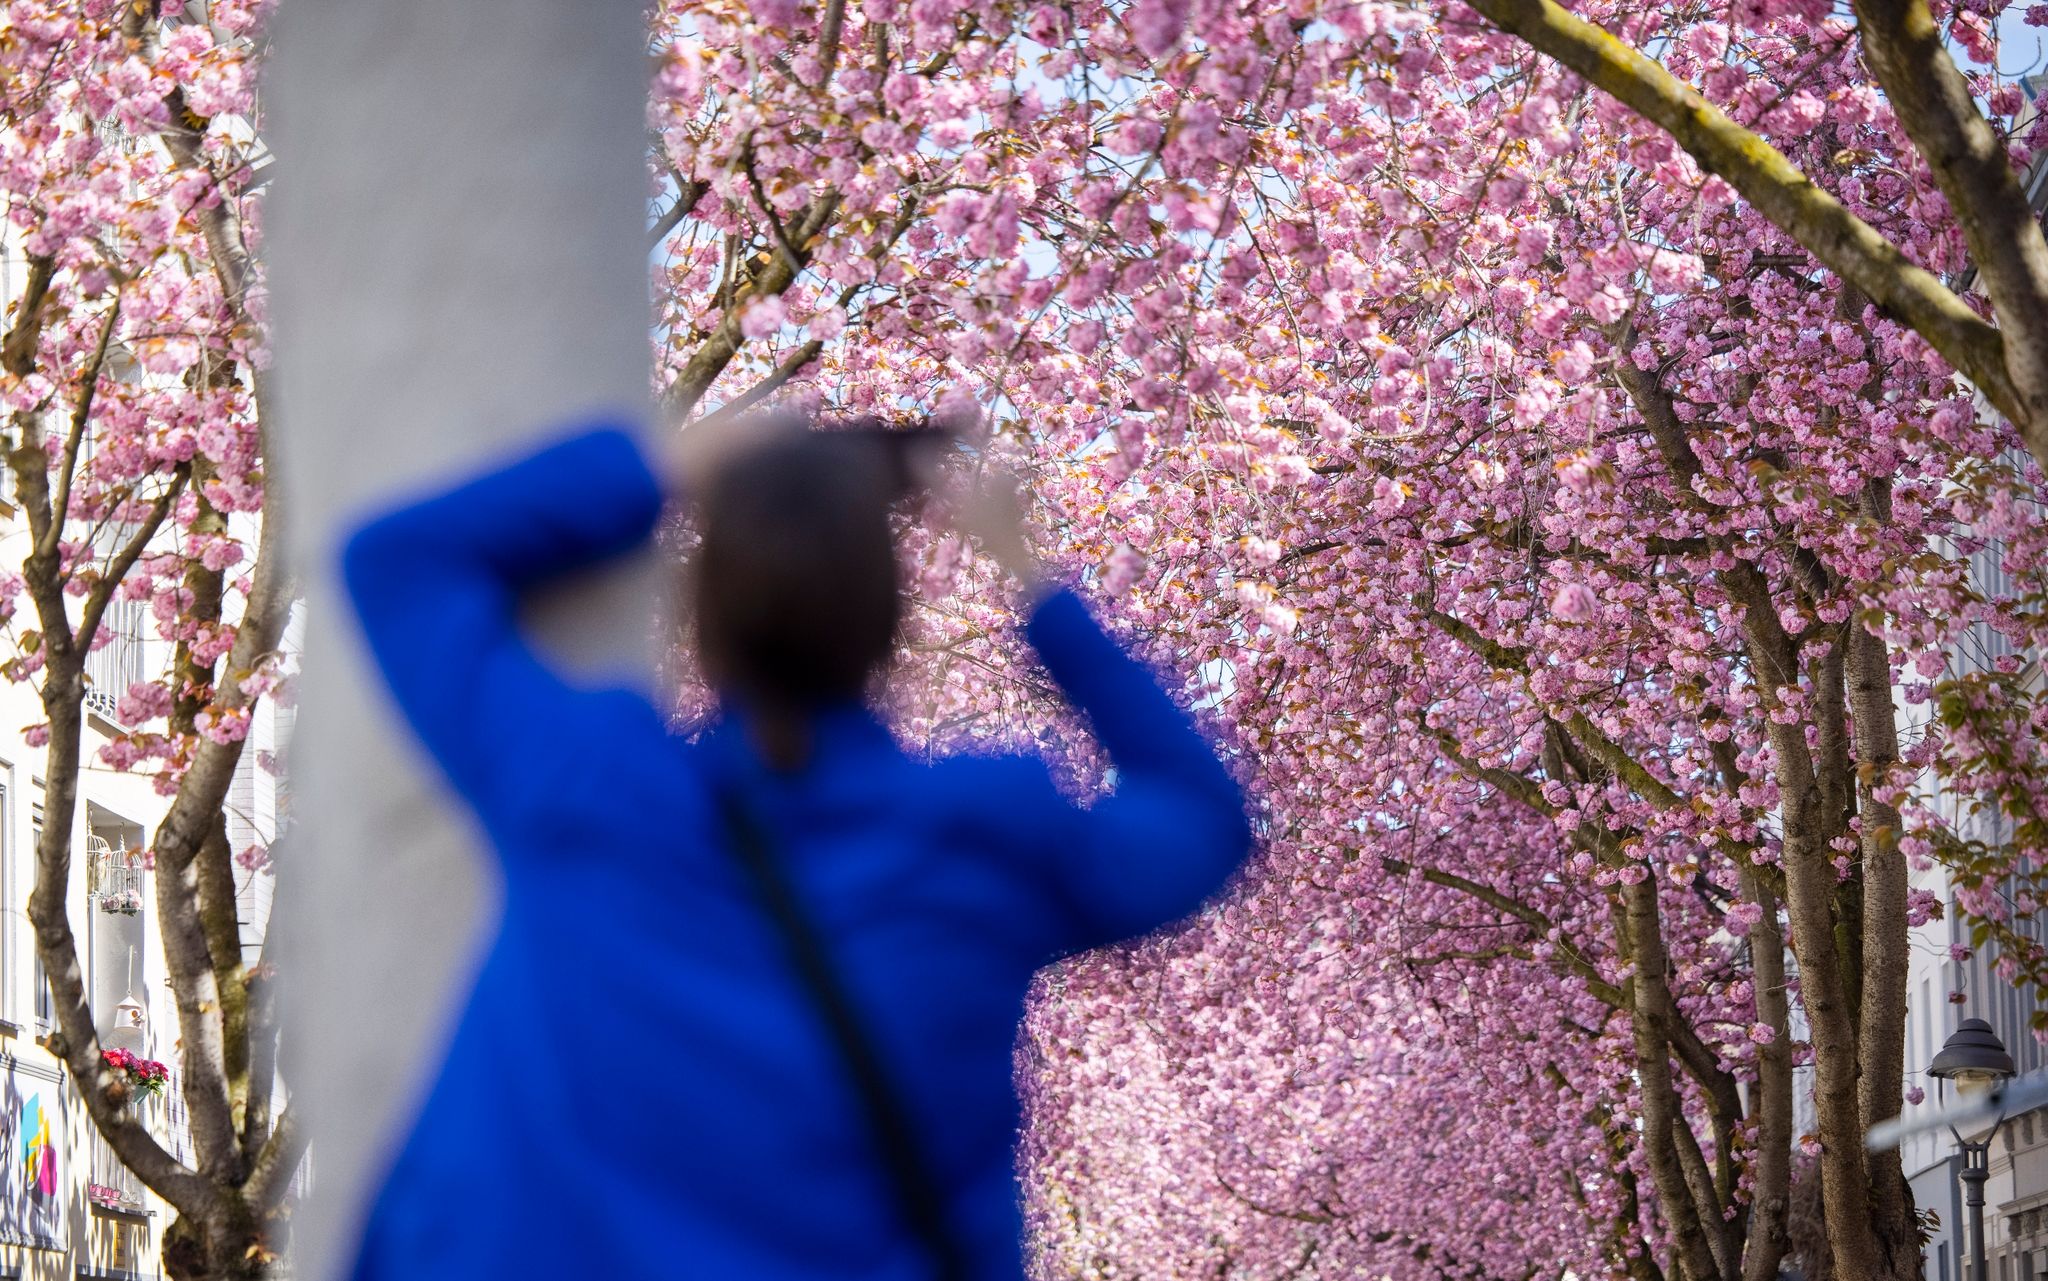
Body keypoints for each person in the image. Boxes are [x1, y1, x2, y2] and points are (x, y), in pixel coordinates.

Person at [339, 414, 1252, 1280]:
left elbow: (398, 561)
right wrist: (1033, 587)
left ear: (703, 615)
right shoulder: (988, 838)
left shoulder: (592, 788)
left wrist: (680, 466)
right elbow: (1203, 818)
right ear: (891, 628)